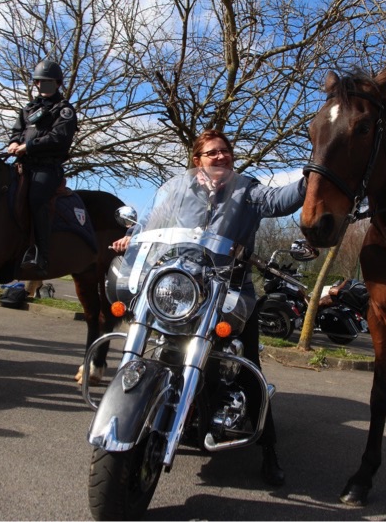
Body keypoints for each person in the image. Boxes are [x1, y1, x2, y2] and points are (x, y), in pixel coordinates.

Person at [110, 129, 306, 488]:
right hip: (181, 284)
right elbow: (154, 219)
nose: (221, 157)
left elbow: (280, 200)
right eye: (212, 153)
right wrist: (133, 237)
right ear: (196, 160)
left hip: (229, 287)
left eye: (226, 151)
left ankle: (269, 450)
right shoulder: (179, 190)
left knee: (249, 366)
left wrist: (310, 178)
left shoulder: (248, 190)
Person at [7, 59, 77, 276]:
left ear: (57, 83)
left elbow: (59, 138)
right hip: (22, 165)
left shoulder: (64, 111)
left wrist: (28, 146)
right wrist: (13, 143)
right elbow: (17, 131)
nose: (41, 85)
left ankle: (40, 254)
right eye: (39, 82)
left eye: (47, 82)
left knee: (37, 199)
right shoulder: (28, 109)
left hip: (47, 168)